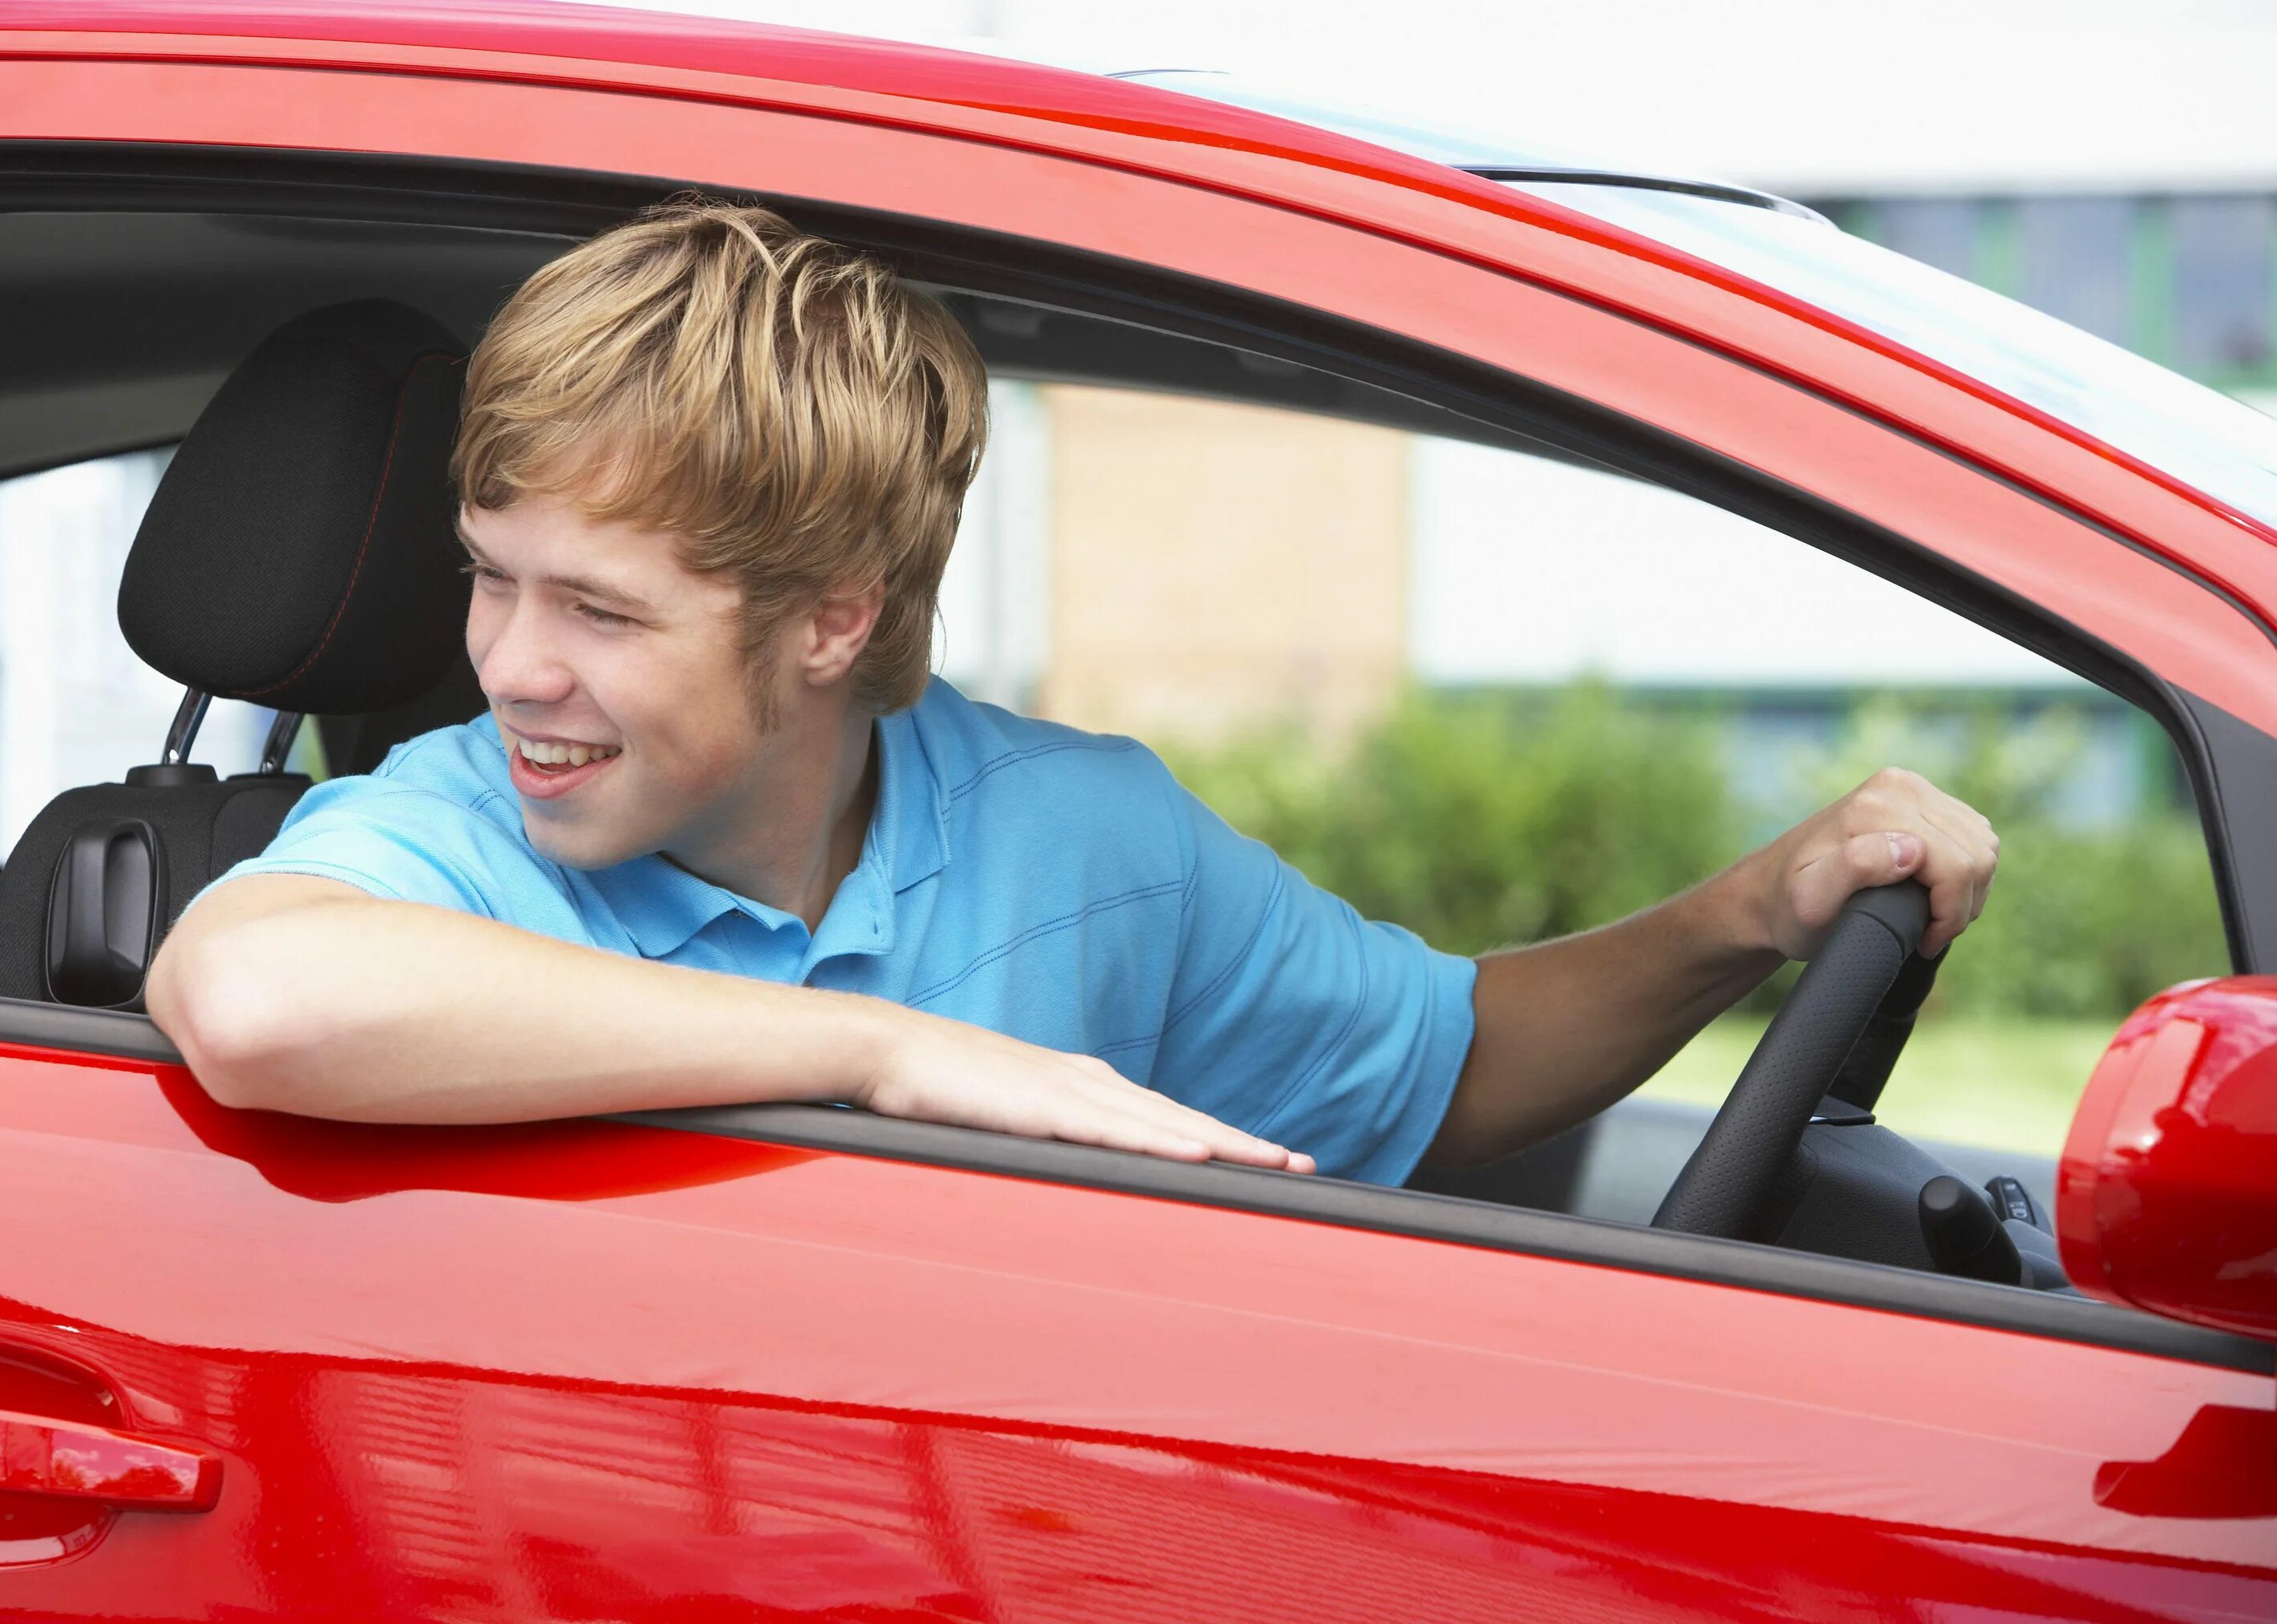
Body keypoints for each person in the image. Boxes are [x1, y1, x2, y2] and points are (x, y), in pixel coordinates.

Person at [147, 200, 1999, 1184]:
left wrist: (1750, 909)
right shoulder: (459, 829)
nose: (512, 663)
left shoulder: (1082, 830)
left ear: (828, 620)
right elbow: (254, 988)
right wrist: (888, 1049)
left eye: (603, 612)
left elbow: (1454, 1063)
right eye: (492, 576)